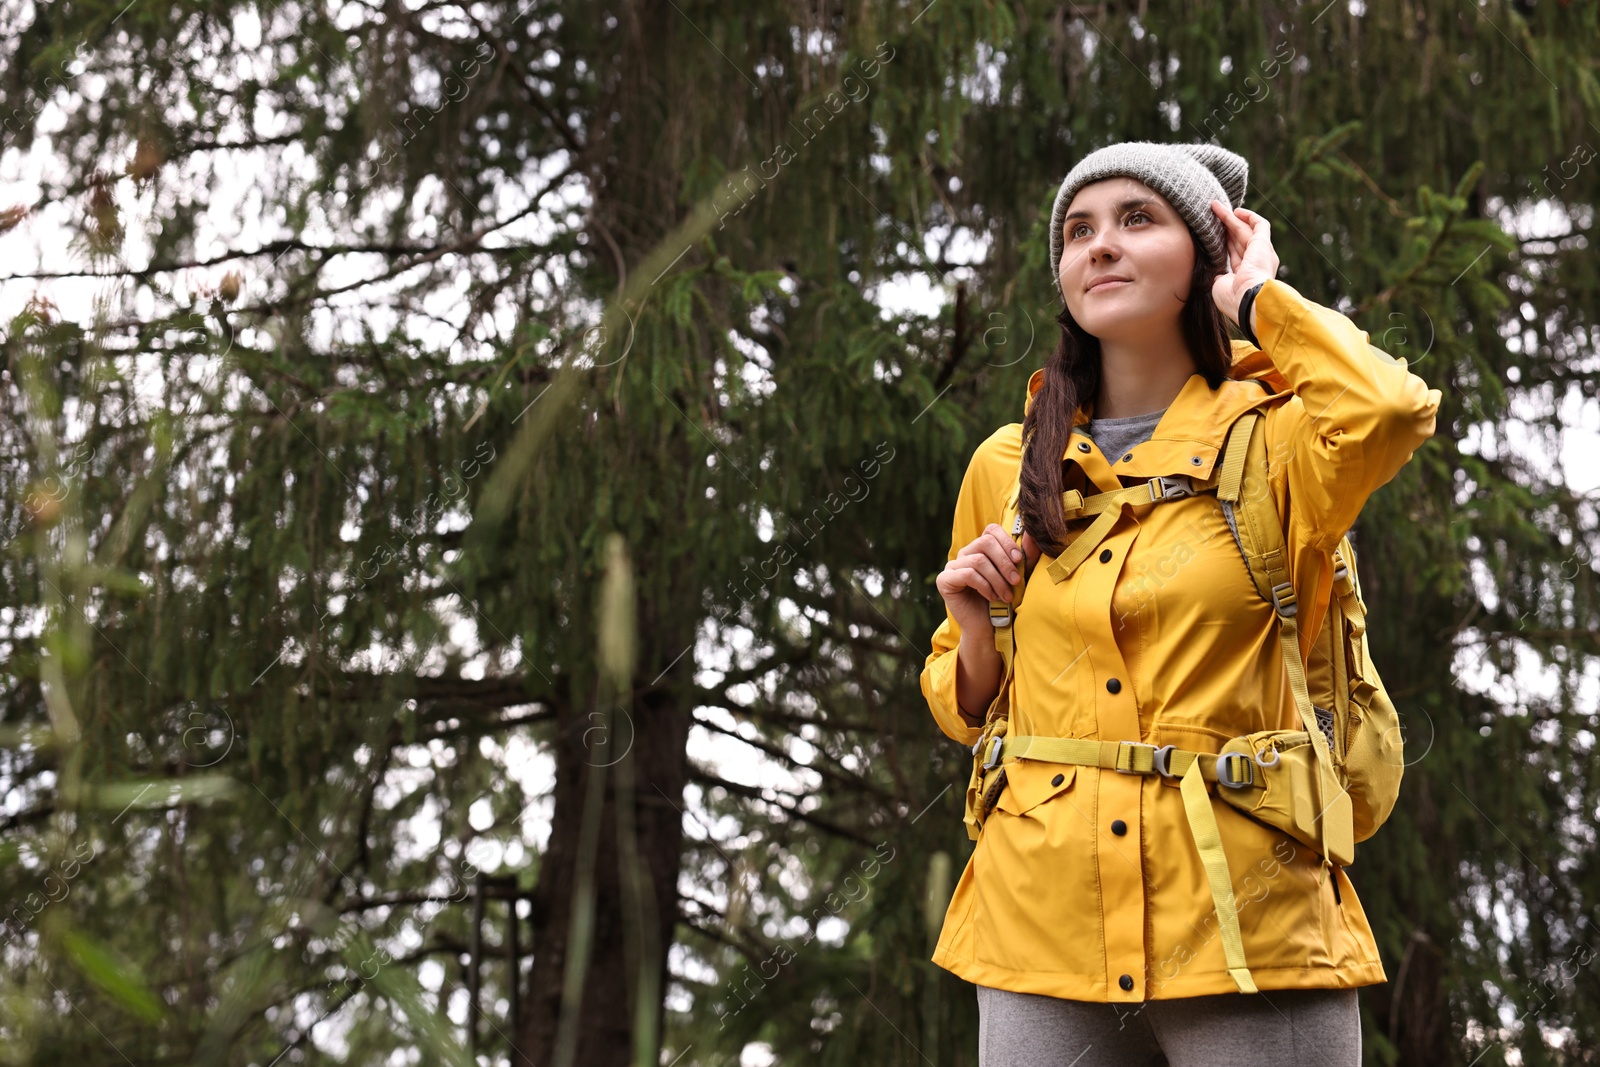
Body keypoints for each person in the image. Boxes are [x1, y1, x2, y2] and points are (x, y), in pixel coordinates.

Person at [919, 141, 1442, 1065]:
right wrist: (972, 633)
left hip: (1251, 928)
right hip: (1042, 932)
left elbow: (1389, 413)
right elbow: (968, 708)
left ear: (1206, 254)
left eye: (1137, 220)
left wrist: (1259, 302)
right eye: (1079, 232)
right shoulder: (1009, 465)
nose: (1100, 247)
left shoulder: (1283, 441)